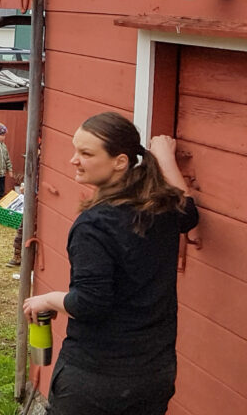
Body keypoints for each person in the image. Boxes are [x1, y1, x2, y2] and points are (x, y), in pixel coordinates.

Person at [23, 112, 198, 415]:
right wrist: (165, 157)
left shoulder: (94, 225)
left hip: (95, 380)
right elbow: (189, 212)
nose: (73, 160)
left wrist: (46, 299)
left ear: (120, 162)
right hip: (153, 376)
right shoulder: (162, 209)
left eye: (86, 154)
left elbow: (90, 304)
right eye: (76, 150)